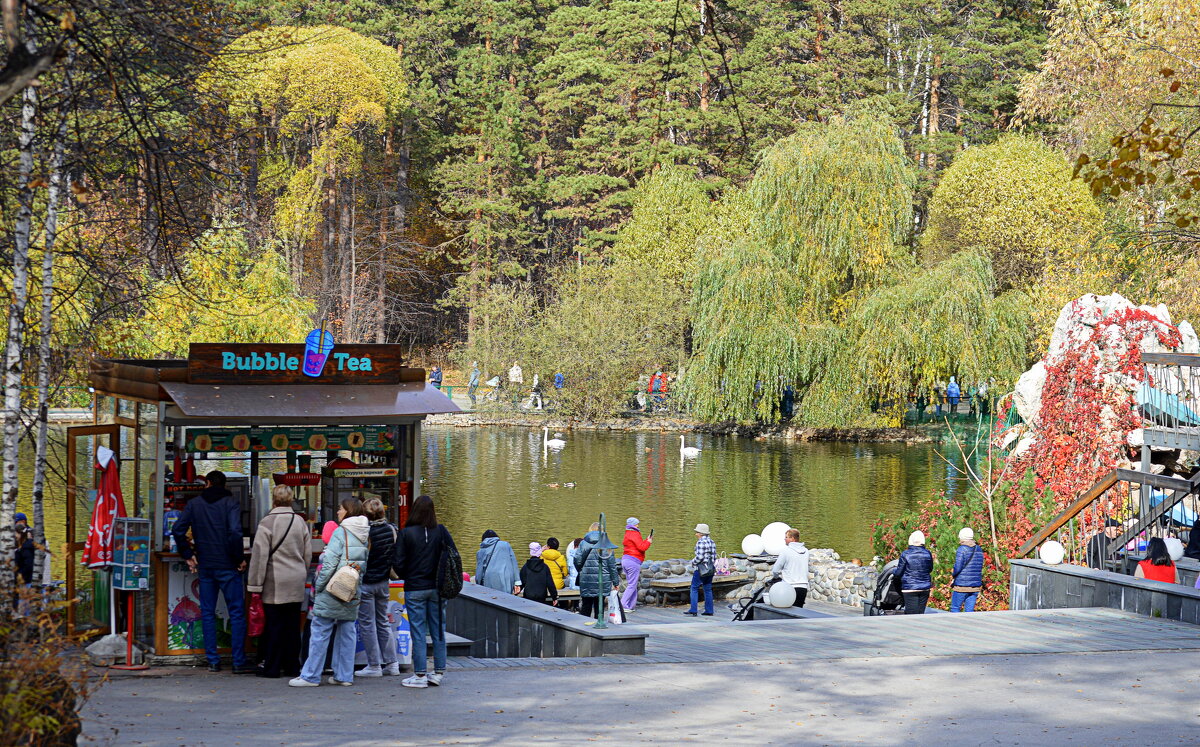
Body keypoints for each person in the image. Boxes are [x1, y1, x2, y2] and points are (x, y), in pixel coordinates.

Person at [171, 470, 254, 674]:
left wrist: (188, 553)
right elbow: (235, 532)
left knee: (207, 613)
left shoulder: (195, 504)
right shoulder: (231, 503)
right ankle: (237, 661)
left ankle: (213, 661)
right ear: (224, 485)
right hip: (228, 566)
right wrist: (239, 558)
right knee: (236, 612)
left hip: (206, 565)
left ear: (207, 483)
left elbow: (177, 530)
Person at [290, 497, 369, 687]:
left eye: (341, 509)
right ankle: (344, 675)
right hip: (351, 588)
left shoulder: (341, 532)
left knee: (320, 630)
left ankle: (310, 675)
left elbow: (329, 563)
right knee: (347, 631)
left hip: (333, 589)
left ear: (348, 511)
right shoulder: (364, 533)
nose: (338, 512)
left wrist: (319, 586)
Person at [389, 495, 457, 688]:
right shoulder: (441, 531)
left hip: (414, 587)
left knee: (417, 631)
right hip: (437, 588)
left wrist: (408, 574)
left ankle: (419, 674)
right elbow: (453, 555)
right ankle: (438, 672)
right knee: (438, 630)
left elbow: (398, 562)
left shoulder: (406, 533)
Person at [246, 485, 309, 679]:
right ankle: (292, 666)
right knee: (292, 625)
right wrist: (302, 572)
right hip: (296, 578)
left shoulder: (267, 523)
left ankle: (272, 667)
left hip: (275, 580)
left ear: (273, 500)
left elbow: (259, 557)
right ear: (291, 500)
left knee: (274, 625)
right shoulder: (299, 522)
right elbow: (306, 555)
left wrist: (254, 585)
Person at [355, 498, 399, 678]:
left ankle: (374, 665)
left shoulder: (365, 533)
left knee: (367, 624)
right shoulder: (391, 530)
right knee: (382, 621)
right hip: (383, 582)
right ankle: (392, 663)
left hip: (366, 583)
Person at [575, 523, 619, 620]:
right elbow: (612, 566)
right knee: (600, 607)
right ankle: (598, 627)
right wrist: (616, 582)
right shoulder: (607, 544)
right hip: (603, 580)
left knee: (586, 605)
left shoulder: (583, 543)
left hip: (586, 578)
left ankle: (583, 628)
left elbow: (577, 560)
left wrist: (581, 571)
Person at [895, 530, 933, 615]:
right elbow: (930, 569)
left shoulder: (906, 554)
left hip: (910, 587)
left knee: (911, 614)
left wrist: (894, 573)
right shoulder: (927, 553)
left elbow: (898, 573)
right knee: (920, 614)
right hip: (924, 587)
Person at [771, 528, 809, 607]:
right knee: (798, 613)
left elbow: (776, 569)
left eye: (786, 537)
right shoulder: (806, 551)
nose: (784, 539)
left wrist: (775, 577)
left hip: (789, 588)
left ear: (792, 539)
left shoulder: (786, 551)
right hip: (803, 587)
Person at [685, 523, 717, 617]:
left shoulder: (700, 542)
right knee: (708, 589)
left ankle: (693, 609)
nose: (696, 534)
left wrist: (693, 562)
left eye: (697, 532)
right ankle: (709, 610)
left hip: (701, 569)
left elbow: (699, 557)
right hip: (710, 569)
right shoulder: (712, 542)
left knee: (694, 588)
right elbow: (714, 557)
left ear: (701, 533)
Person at [949, 527, 984, 613]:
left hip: (961, 585)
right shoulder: (979, 549)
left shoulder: (962, 549)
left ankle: (955, 626)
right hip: (975, 586)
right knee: (969, 611)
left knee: (955, 608)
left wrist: (953, 576)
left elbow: (958, 567)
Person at [621, 518, 652, 613]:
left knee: (632, 585)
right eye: (637, 524)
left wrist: (646, 540)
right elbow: (642, 547)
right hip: (633, 561)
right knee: (632, 585)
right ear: (634, 525)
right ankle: (622, 605)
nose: (638, 526)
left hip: (625, 560)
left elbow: (637, 545)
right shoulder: (634, 534)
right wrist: (648, 541)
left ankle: (630, 606)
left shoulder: (627, 533)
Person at [476, 530, 520, 594]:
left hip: (489, 578)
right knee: (506, 599)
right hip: (507, 576)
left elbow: (479, 571)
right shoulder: (505, 545)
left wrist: (478, 582)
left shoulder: (481, 551)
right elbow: (514, 563)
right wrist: (517, 582)